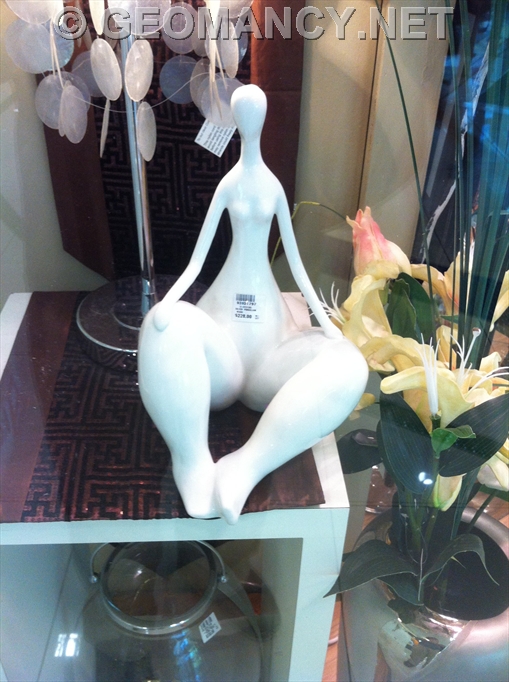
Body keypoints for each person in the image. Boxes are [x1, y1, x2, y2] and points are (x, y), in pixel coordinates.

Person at [138, 84, 368, 524]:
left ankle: (246, 465)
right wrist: (168, 301)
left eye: (256, 115)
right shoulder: (229, 184)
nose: (250, 124)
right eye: (243, 116)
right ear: (237, 121)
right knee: (158, 326)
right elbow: (198, 258)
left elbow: (296, 262)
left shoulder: (273, 186)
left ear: (262, 120)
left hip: (269, 355)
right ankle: (191, 460)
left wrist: (326, 325)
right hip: (221, 354)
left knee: (350, 364)